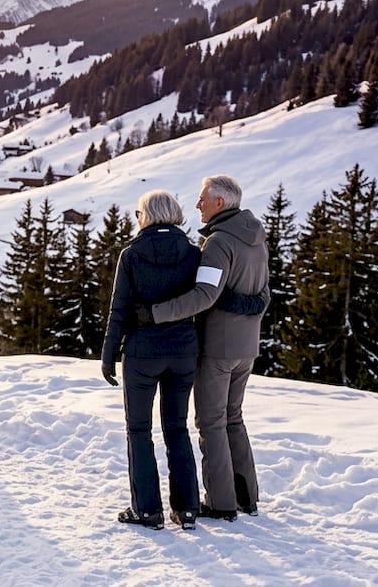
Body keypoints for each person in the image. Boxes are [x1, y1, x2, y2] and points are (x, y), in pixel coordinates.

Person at [145, 175, 270, 521]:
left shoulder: (219, 243)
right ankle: (247, 497)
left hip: (219, 347)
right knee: (233, 418)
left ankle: (221, 502)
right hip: (247, 346)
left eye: (203, 199)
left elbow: (204, 296)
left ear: (220, 203)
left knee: (210, 422)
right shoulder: (256, 238)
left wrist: (156, 313)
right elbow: (262, 294)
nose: (198, 205)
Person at [100, 191, 202, 530]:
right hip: (184, 349)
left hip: (142, 353)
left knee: (139, 430)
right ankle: (187, 509)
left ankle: (147, 511)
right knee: (177, 427)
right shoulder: (193, 253)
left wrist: (108, 354)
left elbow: (120, 309)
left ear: (146, 215)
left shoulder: (131, 255)